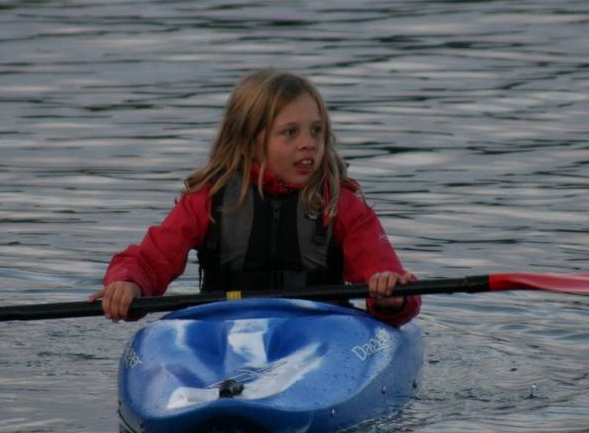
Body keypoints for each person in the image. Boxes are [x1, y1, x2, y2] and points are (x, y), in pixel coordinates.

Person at [90, 68, 420, 326]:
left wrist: (391, 296)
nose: (309, 143)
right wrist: (128, 285)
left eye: (316, 130)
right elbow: (149, 261)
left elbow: (388, 274)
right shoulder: (209, 200)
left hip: (320, 335)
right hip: (223, 331)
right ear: (248, 142)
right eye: (290, 132)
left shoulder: (342, 206)